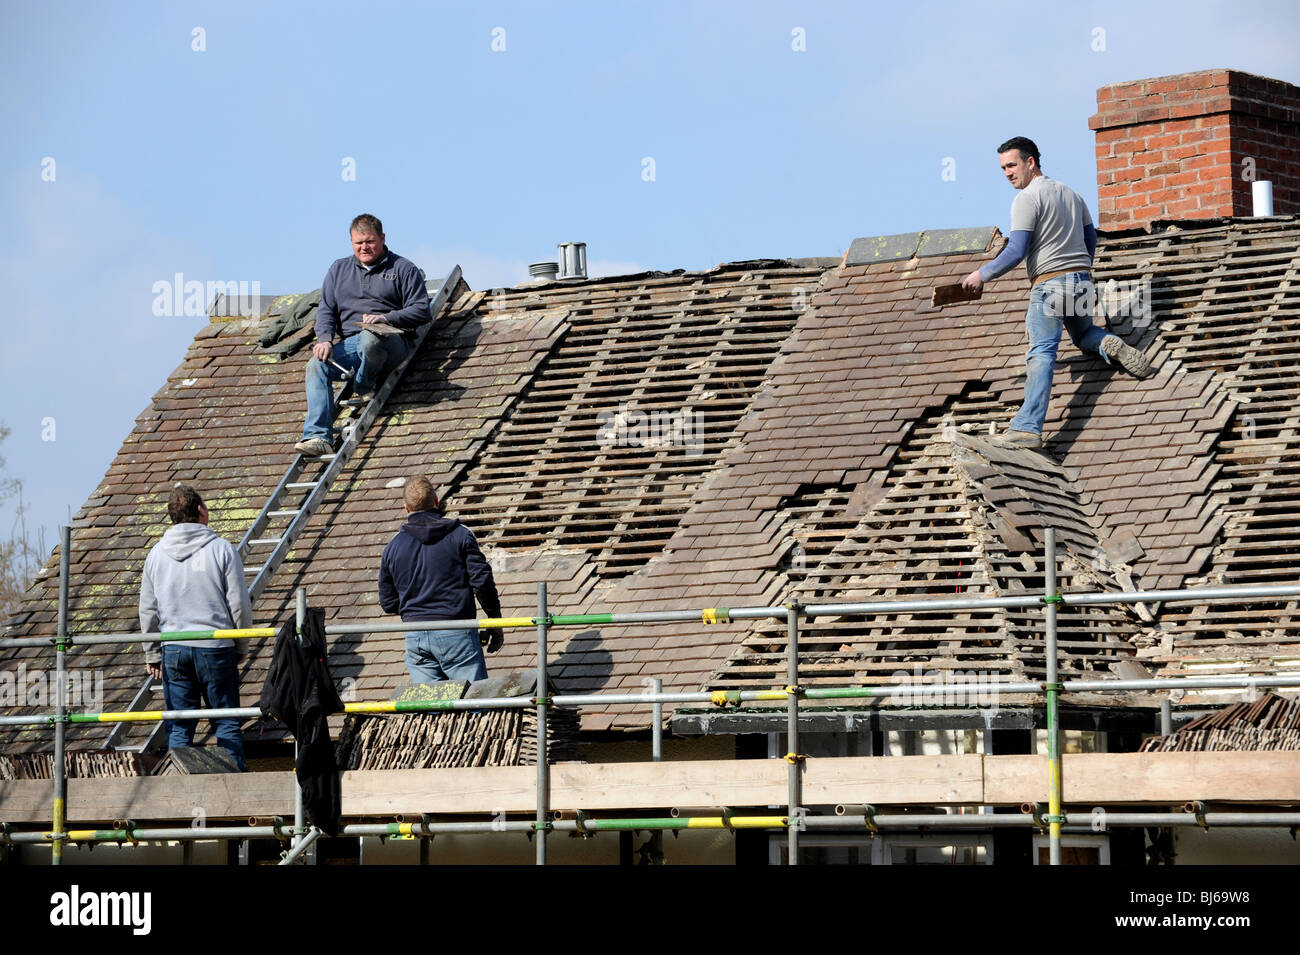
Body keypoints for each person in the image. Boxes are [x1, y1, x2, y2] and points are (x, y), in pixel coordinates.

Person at [961, 137, 1152, 449]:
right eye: (1003, 168)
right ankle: (1110, 343)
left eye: (1012, 165)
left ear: (1031, 162)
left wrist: (981, 275)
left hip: (1049, 284)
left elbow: (1017, 251)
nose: (1007, 173)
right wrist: (1080, 270)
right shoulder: (1072, 194)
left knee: (1041, 353)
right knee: (1084, 333)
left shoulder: (1026, 199)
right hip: (1081, 281)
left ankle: (1027, 428)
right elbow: (1091, 240)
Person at [295, 214, 432, 457]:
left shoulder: (403, 269)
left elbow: (421, 309)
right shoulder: (338, 270)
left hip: (392, 342)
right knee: (316, 365)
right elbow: (326, 309)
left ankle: (363, 383)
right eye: (358, 243)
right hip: (351, 343)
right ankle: (317, 436)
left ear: (382, 238)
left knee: (371, 338)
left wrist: (387, 318)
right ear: (351, 242)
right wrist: (325, 338)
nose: (364, 248)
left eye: (369, 242)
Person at [140, 484, 251, 771]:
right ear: (201, 510)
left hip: (174, 647)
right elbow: (238, 604)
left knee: (179, 726)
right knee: (226, 721)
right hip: (215, 645)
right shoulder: (222, 550)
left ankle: (180, 792)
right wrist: (241, 644)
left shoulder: (155, 555)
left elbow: (148, 610)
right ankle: (235, 792)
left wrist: (152, 653)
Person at [378, 476, 504, 684]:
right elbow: (482, 582)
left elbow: (388, 603)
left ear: (406, 508)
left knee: (430, 709)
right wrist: (494, 619)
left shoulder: (393, 547)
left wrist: (417, 607)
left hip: (415, 635)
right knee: (473, 703)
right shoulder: (461, 535)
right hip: (456, 630)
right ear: (436, 502)